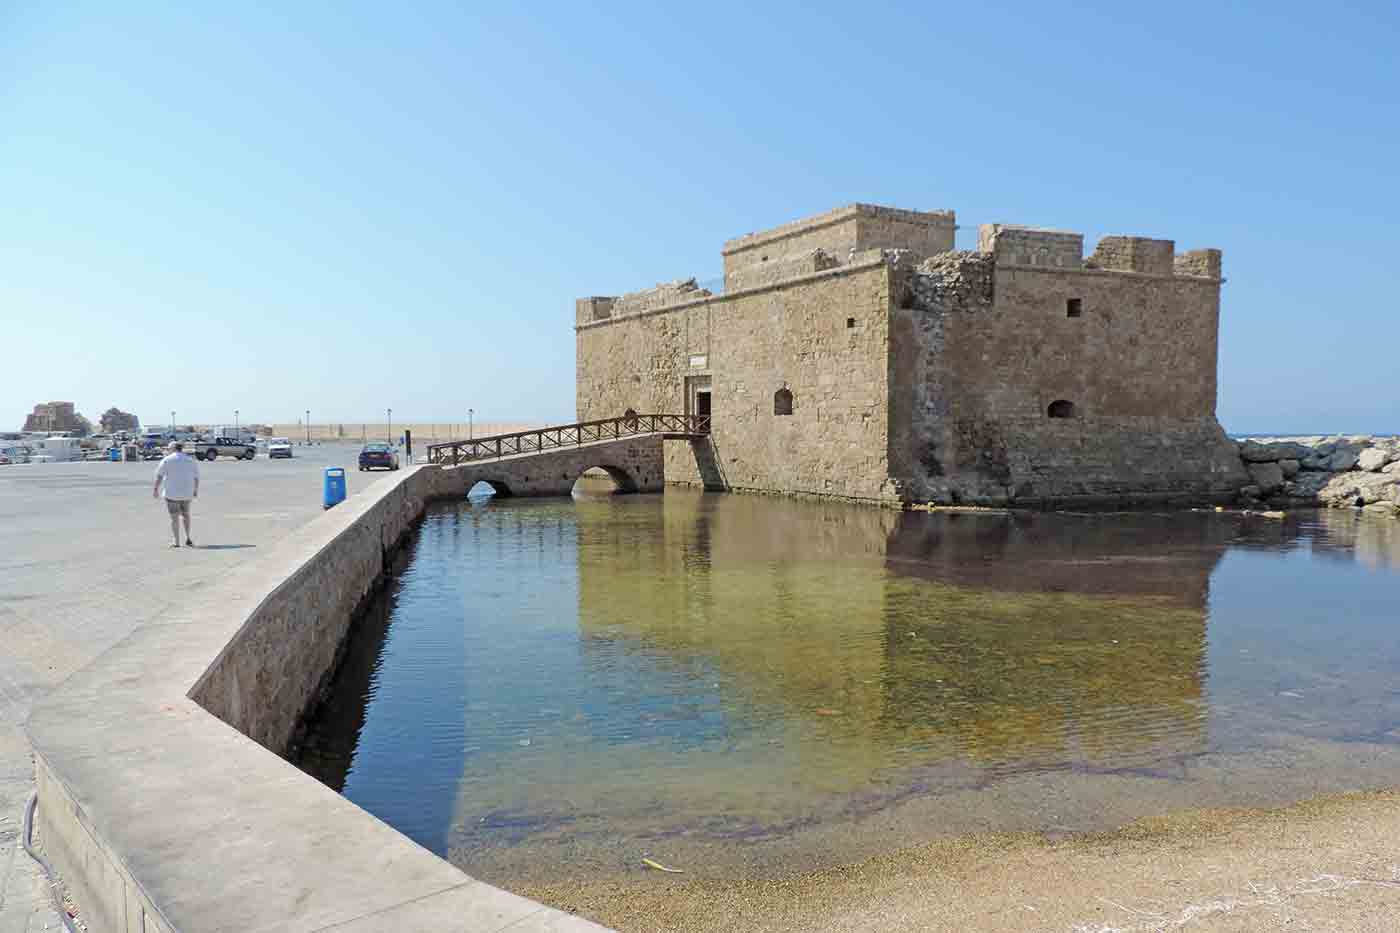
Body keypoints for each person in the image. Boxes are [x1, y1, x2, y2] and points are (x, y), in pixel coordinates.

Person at [153, 441, 199, 548]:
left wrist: (155, 489)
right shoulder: (190, 460)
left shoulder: (167, 460)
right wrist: (195, 490)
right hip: (187, 493)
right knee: (186, 515)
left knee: (174, 518)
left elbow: (159, 476)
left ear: (173, 448)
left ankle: (176, 541)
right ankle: (188, 537)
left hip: (171, 493)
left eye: (169, 448)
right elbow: (196, 477)